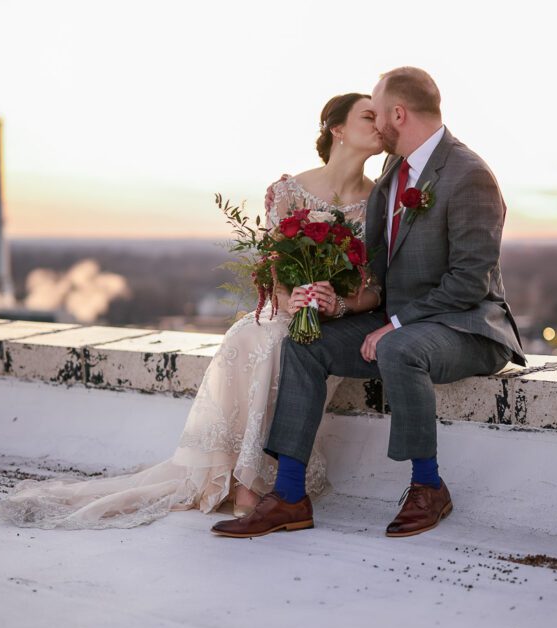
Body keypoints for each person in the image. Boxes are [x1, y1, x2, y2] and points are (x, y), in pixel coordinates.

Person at [0, 93, 385, 529]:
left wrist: (338, 304)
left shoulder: (379, 203)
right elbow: (276, 273)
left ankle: (252, 482)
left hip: (330, 323)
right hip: (284, 310)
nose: (380, 124)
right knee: (249, 335)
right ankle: (239, 475)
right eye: (368, 116)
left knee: (287, 343)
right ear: (337, 129)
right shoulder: (288, 192)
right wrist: (289, 301)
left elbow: (376, 289)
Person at [211, 67, 528, 539]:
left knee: (398, 347)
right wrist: (338, 304)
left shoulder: (469, 175)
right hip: (400, 320)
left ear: (398, 113)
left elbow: (469, 282)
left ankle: (428, 486)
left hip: (469, 327)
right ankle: (291, 497)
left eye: (377, 113)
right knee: (306, 343)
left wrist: (395, 323)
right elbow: (379, 268)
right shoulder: (393, 172)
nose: (375, 124)